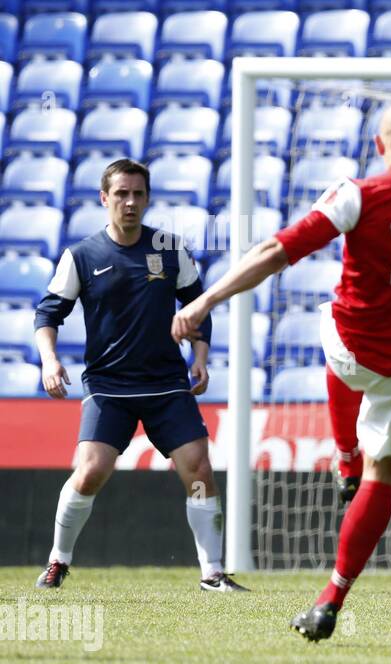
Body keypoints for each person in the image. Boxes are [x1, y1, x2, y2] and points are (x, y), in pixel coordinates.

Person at [173, 101, 391, 640]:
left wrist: (206, 302)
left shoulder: (357, 192)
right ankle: (331, 597)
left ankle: (343, 454)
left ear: (380, 145)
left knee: (324, 319)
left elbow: (276, 251)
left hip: (350, 344)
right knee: (384, 476)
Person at [33, 158, 245, 592]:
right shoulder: (82, 256)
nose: (130, 202)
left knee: (199, 470)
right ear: (104, 198)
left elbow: (197, 306)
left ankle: (212, 574)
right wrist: (49, 360)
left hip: (167, 384)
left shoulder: (170, 249)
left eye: (138, 194)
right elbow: (48, 312)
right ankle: (58, 561)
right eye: (122, 194)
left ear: (147, 199)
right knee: (91, 470)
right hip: (108, 386)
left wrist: (200, 355)